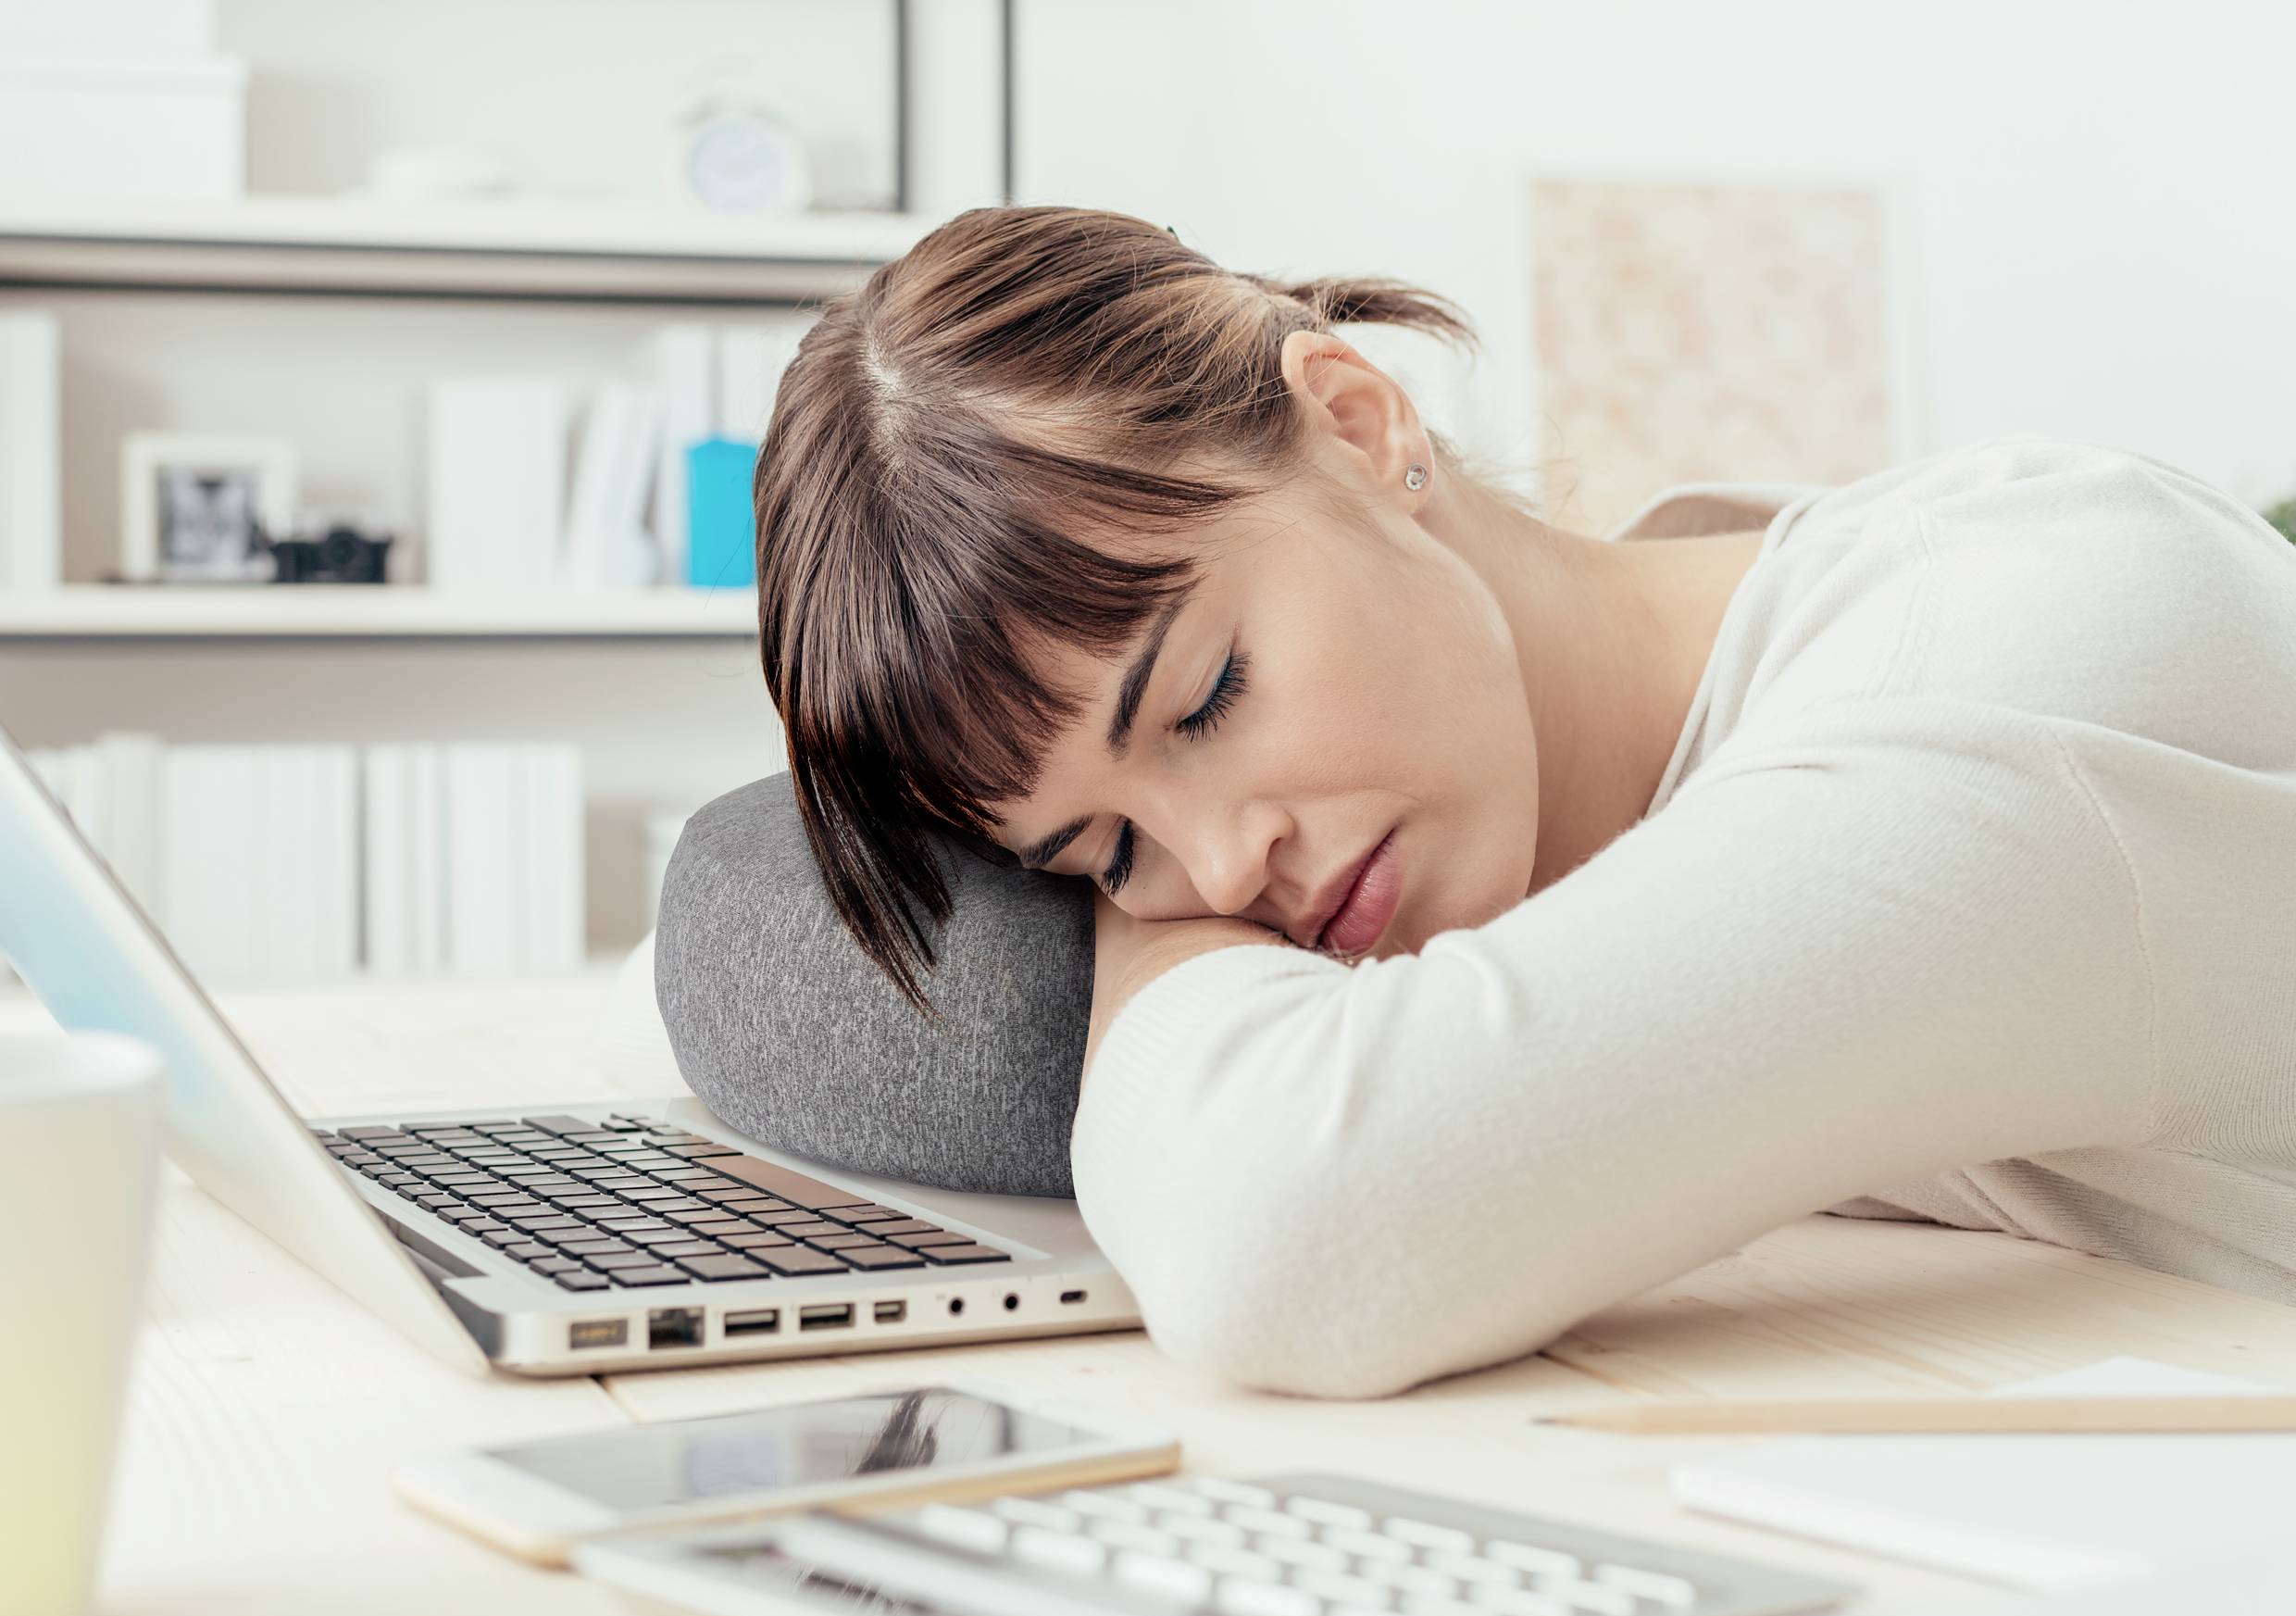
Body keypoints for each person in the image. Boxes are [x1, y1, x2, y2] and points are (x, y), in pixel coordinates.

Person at [662, 203, 2296, 1399]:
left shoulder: (2003, 673)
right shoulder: (1623, 771)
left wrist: (1136, 928)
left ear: (1363, 427)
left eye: (1208, 697)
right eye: (1101, 851)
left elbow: (1294, 1231)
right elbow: (728, 933)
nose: (1231, 865)